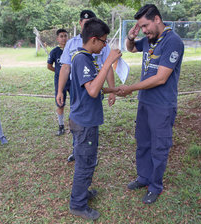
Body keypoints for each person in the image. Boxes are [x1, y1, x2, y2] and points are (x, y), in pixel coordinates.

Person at [118, 4, 184, 204]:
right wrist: (130, 36)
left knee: (159, 147)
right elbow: (130, 49)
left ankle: (155, 186)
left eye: (145, 26)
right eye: (141, 27)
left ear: (157, 19)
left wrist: (131, 88)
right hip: (145, 102)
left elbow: (161, 78)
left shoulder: (173, 42)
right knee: (143, 142)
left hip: (162, 105)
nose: (144, 31)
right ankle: (144, 177)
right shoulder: (149, 39)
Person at [68, 17, 121, 220]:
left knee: (87, 160)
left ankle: (82, 193)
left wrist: (112, 89)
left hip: (85, 119)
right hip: (84, 122)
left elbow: (92, 87)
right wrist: (109, 62)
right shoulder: (82, 58)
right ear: (93, 39)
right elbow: (91, 91)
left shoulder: (86, 57)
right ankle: (77, 204)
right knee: (85, 163)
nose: (105, 45)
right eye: (103, 41)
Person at [56, 10, 117, 162]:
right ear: (80, 24)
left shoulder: (99, 43)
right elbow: (65, 68)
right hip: (78, 86)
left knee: (87, 120)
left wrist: (112, 90)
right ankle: (80, 152)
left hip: (93, 86)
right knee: (81, 119)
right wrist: (60, 90)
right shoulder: (73, 45)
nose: (104, 45)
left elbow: (106, 68)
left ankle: (87, 154)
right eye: (85, 22)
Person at [47, 29, 70, 136]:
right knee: (60, 103)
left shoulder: (71, 50)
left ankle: (75, 125)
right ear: (57, 38)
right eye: (61, 36)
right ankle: (61, 126)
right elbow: (49, 66)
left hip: (72, 80)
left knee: (75, 102)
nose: (63, 38)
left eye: (65, 36)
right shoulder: (55, 52)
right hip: (59, 82)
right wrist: (59, 73)